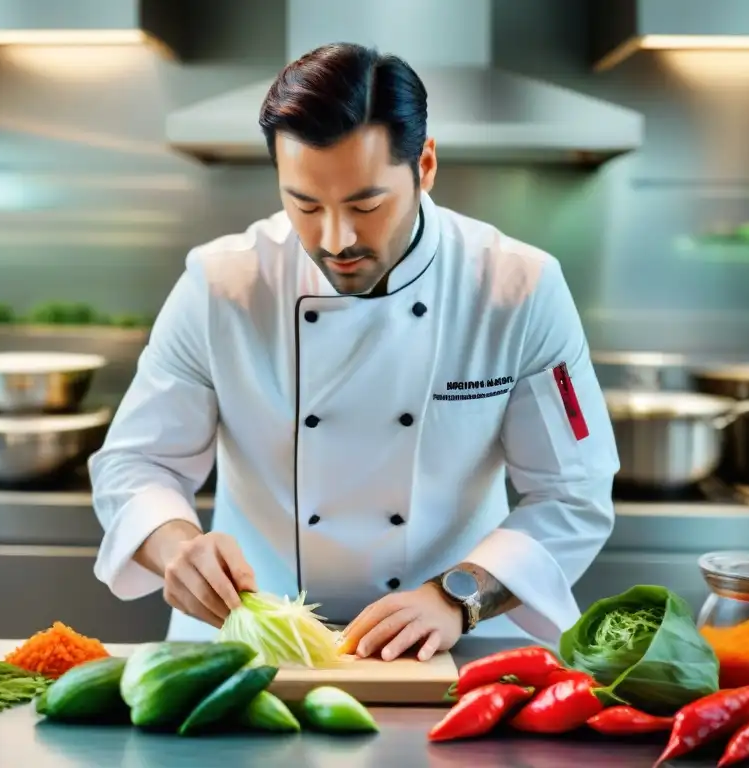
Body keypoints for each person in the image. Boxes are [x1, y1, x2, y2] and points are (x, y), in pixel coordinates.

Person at [89, 42, 620, 662]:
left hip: (456, 642)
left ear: (424, 165)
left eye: (366, 205)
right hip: (250, 645)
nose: (335, 239)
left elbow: (573, 493)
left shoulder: (514, 287)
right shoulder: (223, 285)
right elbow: (134, 465)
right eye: (305, 205)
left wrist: (458, 597)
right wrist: (176, 544)